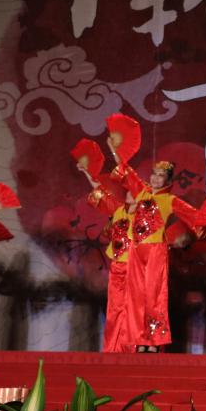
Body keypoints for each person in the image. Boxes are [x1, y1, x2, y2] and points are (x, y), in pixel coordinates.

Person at [80, 150, 199, 353]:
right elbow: (108, 186)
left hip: (148, 257)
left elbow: (195, 216)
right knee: (123, 308)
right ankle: (123, 346)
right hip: (125, 264)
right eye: (154, 174)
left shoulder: (163, 203)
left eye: (161, 176)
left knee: (152, 298)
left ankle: (150, 342)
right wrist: (94, 166)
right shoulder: (122, 208)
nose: (155, 178)